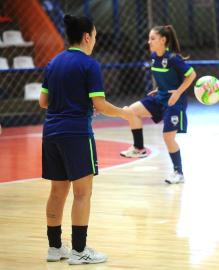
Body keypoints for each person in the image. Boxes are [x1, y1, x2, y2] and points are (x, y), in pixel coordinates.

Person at [39, 14, 132, 264]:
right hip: (77, 134)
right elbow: (99, 104)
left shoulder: (54, 62)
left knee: (57, 191)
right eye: (95, 37)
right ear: (87, 37)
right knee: (82, 193)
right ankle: (79, 251)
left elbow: (43, 102)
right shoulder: (89, 65)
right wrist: (124, 113)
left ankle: (55, 248)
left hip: (50, 133)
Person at [120, 25, 196, 184]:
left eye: (152, 38)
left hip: (174, 102)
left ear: (163, 40)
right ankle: (139, 148)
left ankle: (178, 173)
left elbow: (191, 75)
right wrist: (158, 89)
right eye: (149, 38)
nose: (149, 42)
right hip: (160, 97)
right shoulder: (154, 56)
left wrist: (177, 92)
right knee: (131, 111)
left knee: (168, 137)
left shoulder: (174, 58)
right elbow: (167, 78)